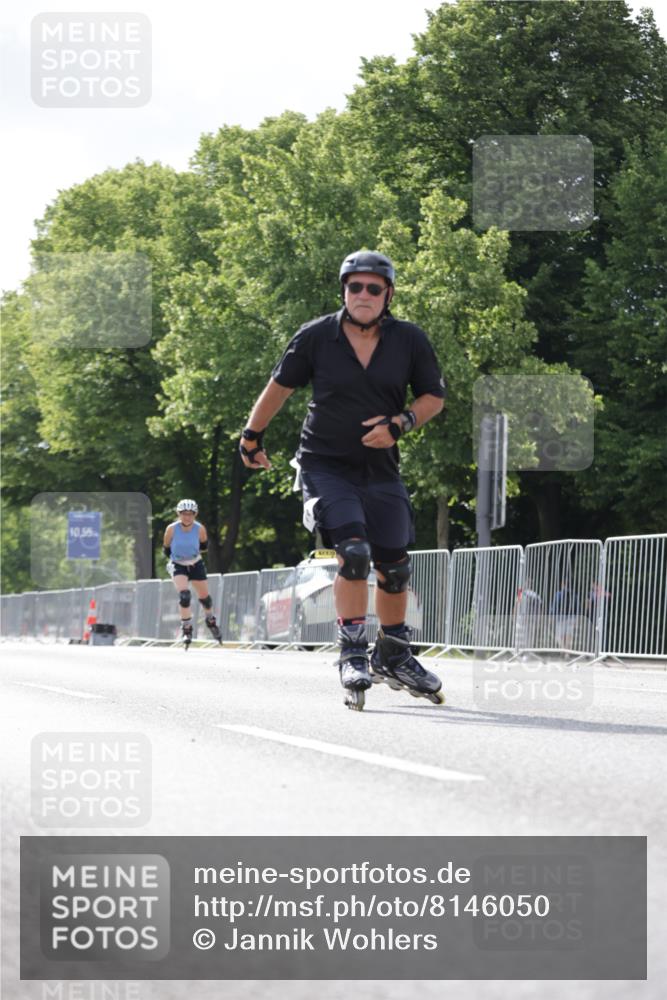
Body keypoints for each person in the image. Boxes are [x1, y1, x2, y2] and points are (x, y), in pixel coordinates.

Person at [239, 250, 446, 709]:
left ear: (388, 294)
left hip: (381, 470)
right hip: (325, 466)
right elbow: (279, 388)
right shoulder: (316, 336)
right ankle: (352, 653)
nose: (363, 294)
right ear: (344, 291)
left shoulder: (409, 340)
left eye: (374, 287)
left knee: (395, 568)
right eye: (355, 286)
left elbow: (433, 397)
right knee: (353, 554)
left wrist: (400, 424)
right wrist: (251, 437)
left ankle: (393, 653)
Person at [163, 499, 222, 645]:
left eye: (190, 514)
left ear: (195, 514)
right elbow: (166, 548)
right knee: (184, 596)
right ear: (179, 514)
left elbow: (204, 546)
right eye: (184, 514)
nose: (187, 517)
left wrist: (191, 554)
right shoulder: (171, 529)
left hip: (195, 563)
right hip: (178, 564)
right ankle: (186, 628)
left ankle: (210, 620)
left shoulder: (200, 528)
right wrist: (178, 557)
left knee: (205, 598)